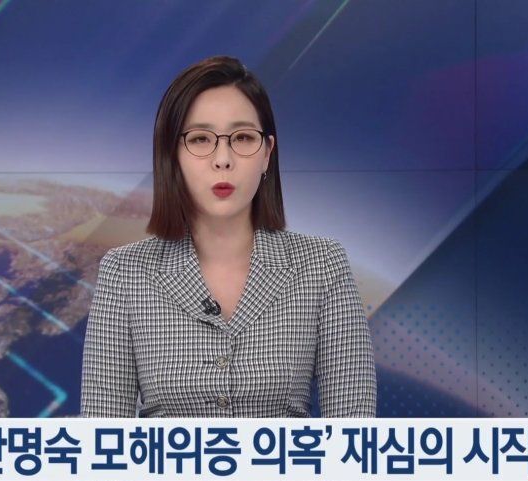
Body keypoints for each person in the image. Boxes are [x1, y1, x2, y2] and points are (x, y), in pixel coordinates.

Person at [81, 56, 376, 418]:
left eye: (243, 138)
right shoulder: (124, 272)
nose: (223, 159)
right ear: (172, 155)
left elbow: (354, 430)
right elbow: (101, 436)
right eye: (200, 139)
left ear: (267, 154)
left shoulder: (322, 265)